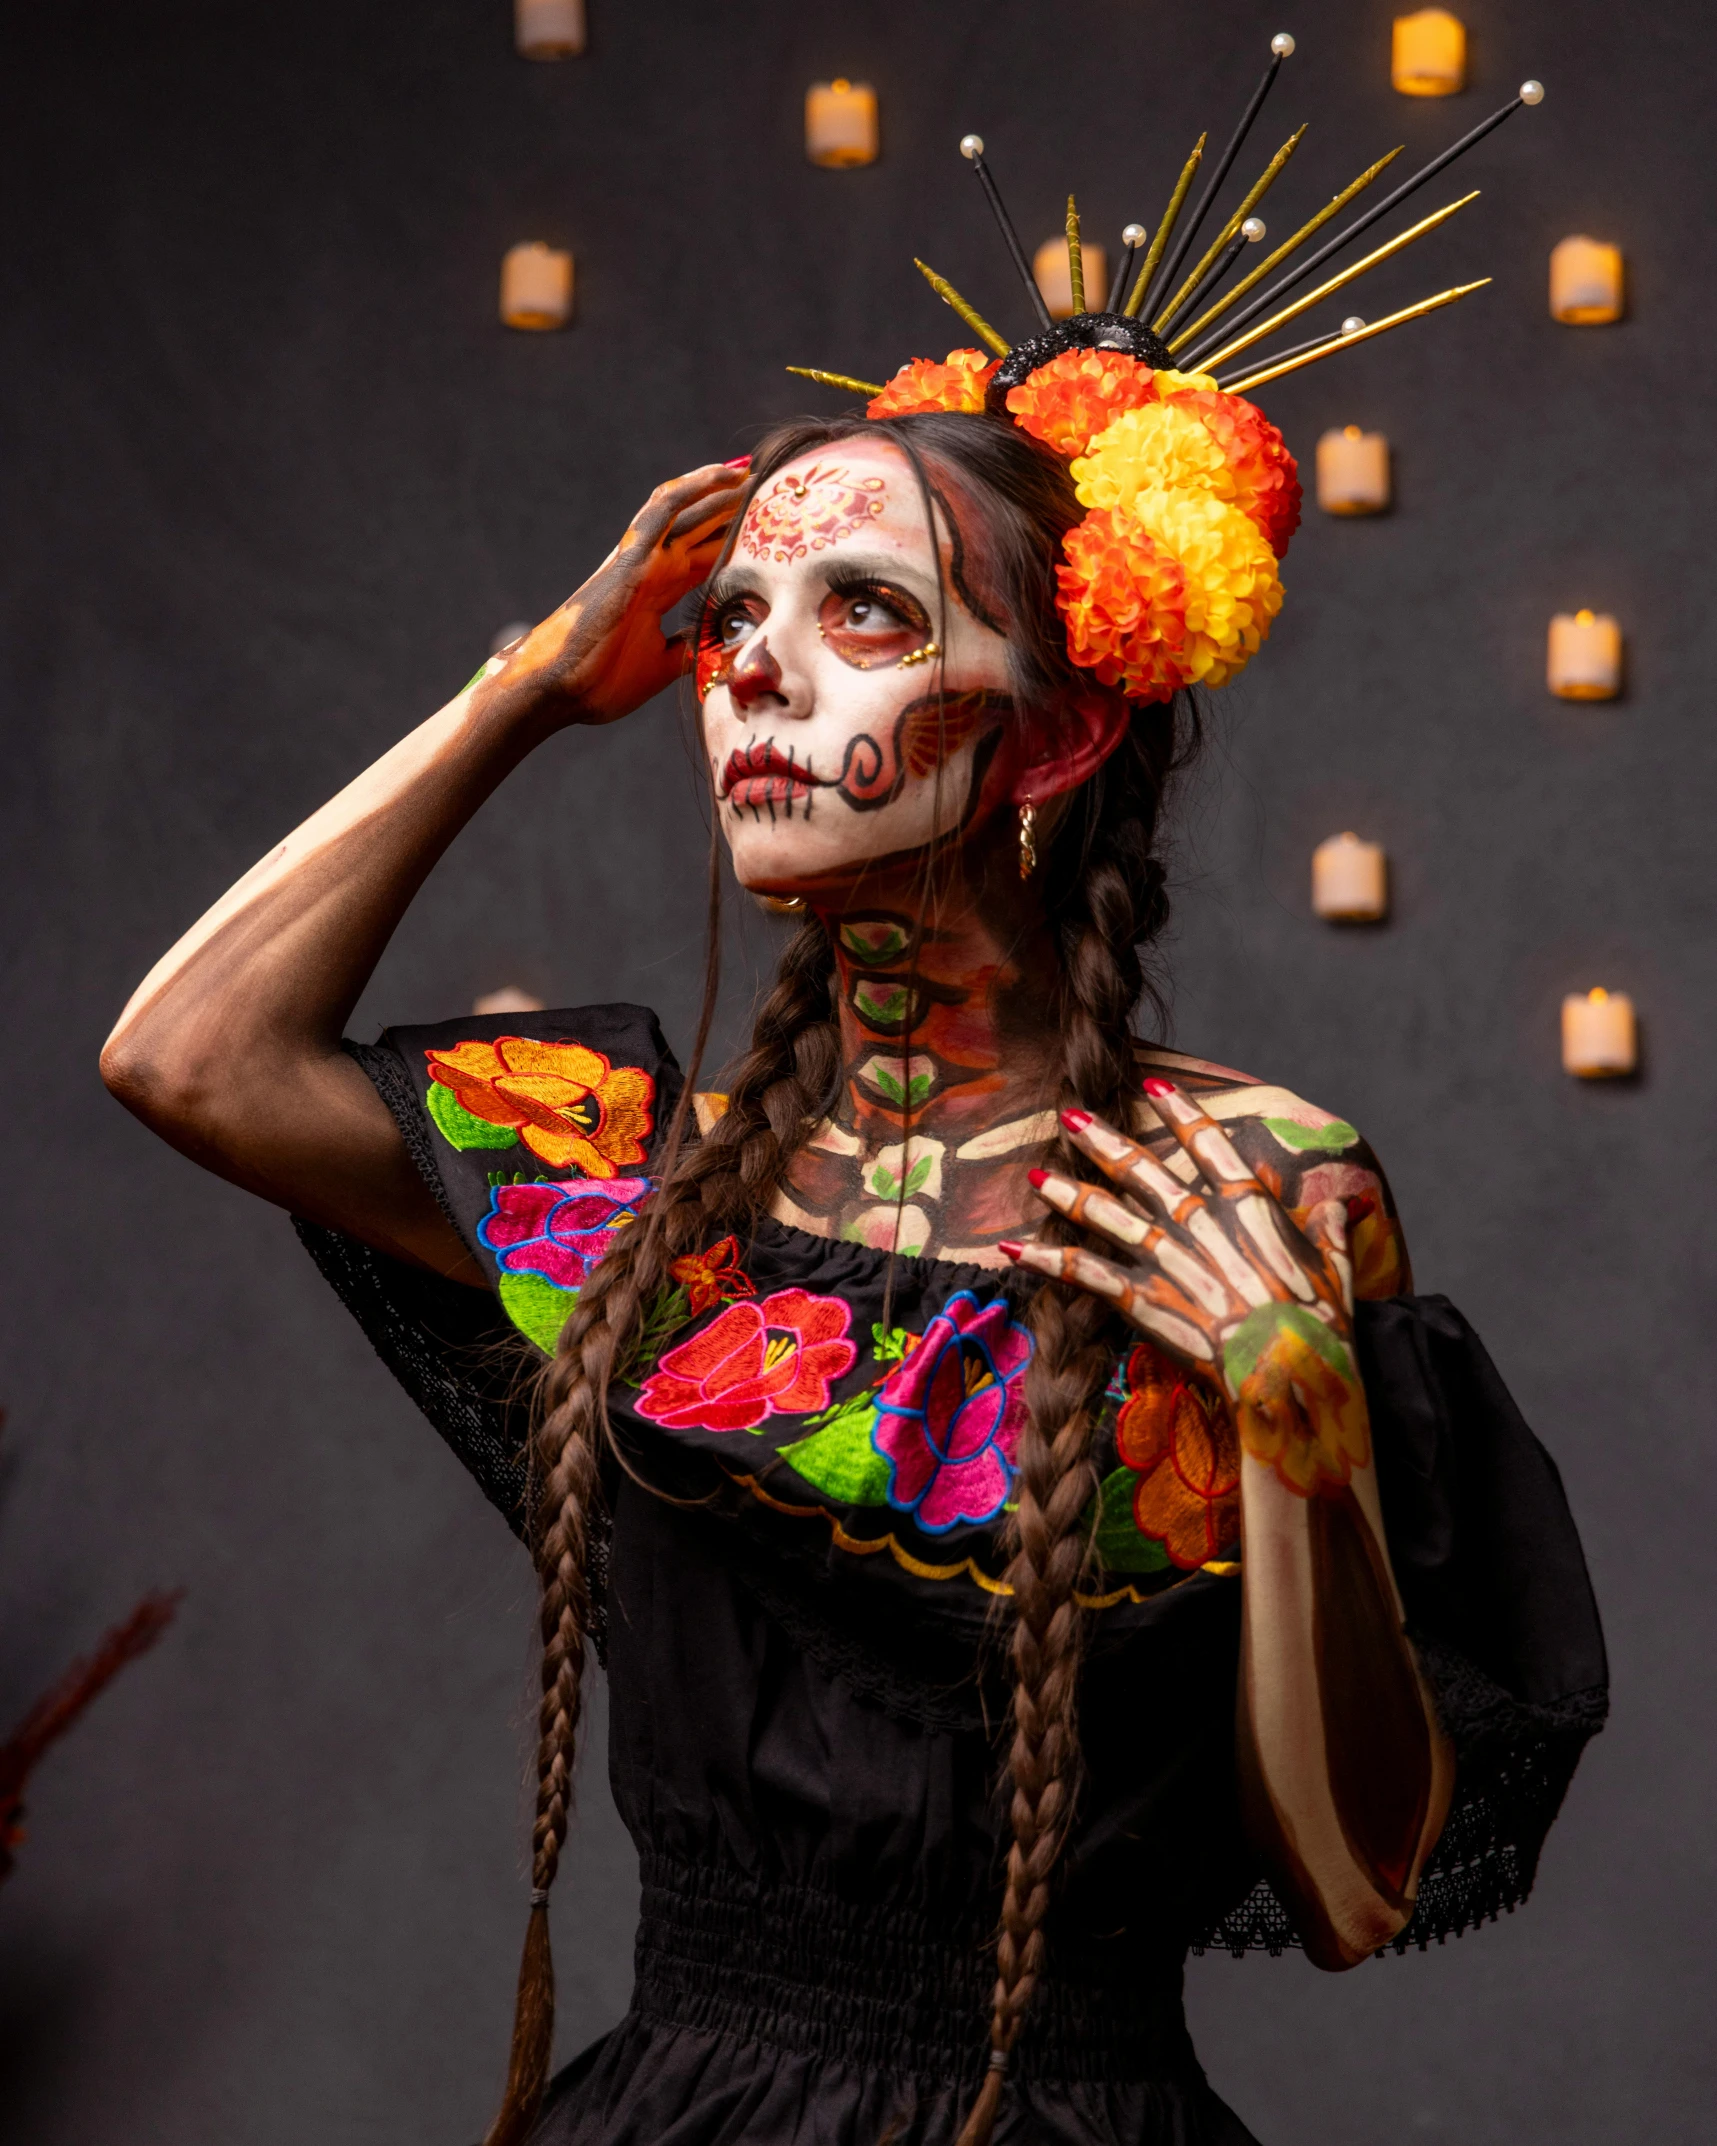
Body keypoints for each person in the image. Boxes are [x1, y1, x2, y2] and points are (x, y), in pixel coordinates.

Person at [100, 338, 1606, 2146]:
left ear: (1051, 730)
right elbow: (185, 1058)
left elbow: (1358, 1886)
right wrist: (531, 687)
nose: (746, 664)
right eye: (733, 613)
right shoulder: (633, 1187)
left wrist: (1296, 1420)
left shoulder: (1259, 1191)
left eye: (864, 610)